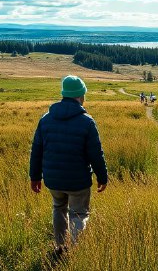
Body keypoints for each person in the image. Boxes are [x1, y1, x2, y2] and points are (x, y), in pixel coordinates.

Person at [30, 75, 108, 255]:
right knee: (78, 214)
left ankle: (59, 247)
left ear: (64, 94)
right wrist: (102, 177)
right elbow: (96, 154)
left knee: (58, 208)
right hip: (78, 181)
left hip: (53, 180)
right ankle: (76, 251)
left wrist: (34, 177)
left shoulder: (45, 119)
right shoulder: (87, 121)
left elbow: (36, 151)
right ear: (80, 95)